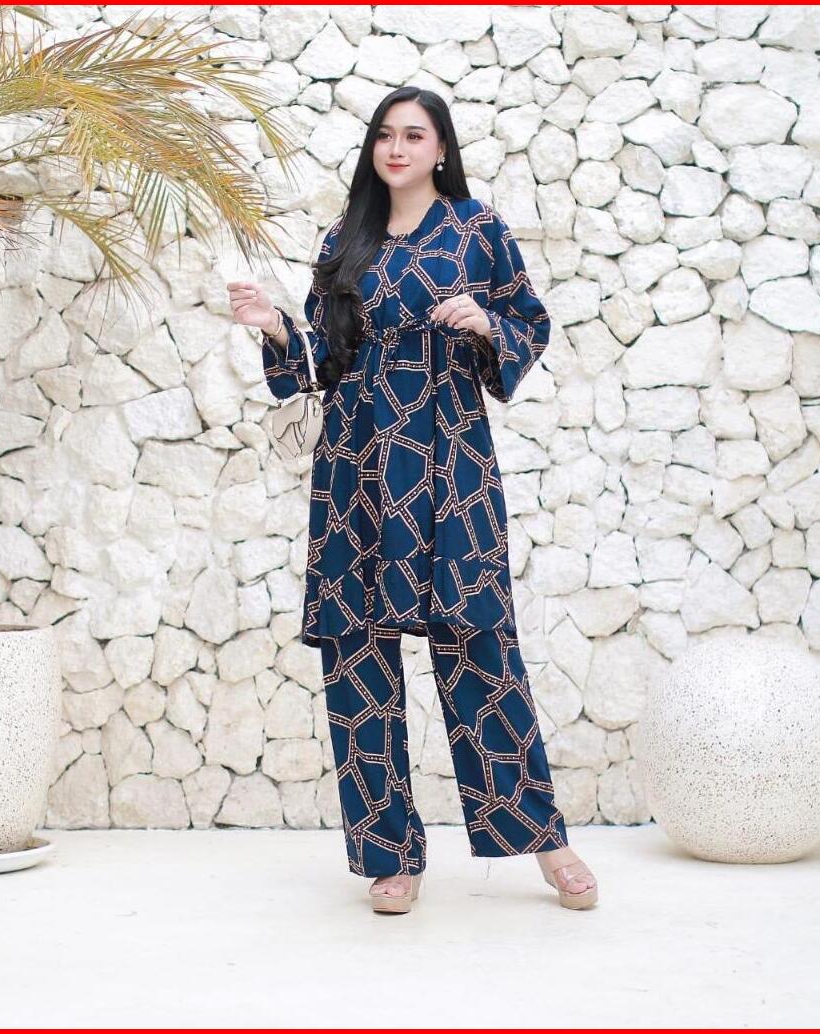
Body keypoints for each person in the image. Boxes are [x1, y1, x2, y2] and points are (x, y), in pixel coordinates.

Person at [228, 86, 598, 915]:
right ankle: (389, 854)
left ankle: (546, 842)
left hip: (449, 455)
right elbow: (321, 364)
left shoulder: (477, 229)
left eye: (414, 135)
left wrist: (486, 324)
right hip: (356, 463)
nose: (396, 148)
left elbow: (529, 325)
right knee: (357, 656)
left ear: (440, 149)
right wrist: (276, 327)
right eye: (385, 135)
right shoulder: (345, 239)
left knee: (479, 645)